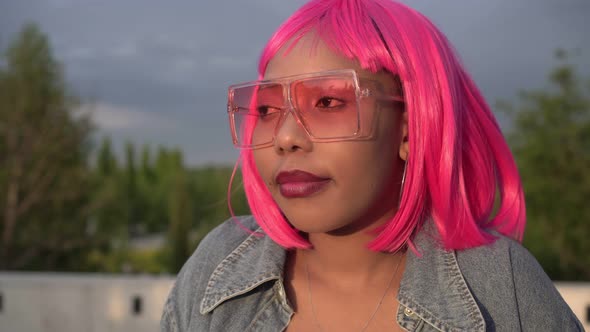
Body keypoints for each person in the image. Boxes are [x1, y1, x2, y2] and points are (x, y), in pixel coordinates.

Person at [161, 0, 583, 331]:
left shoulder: (500, 286)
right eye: (268, 109)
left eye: (328, 102)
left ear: (411, 127)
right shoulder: (218, 267)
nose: (286, 137)